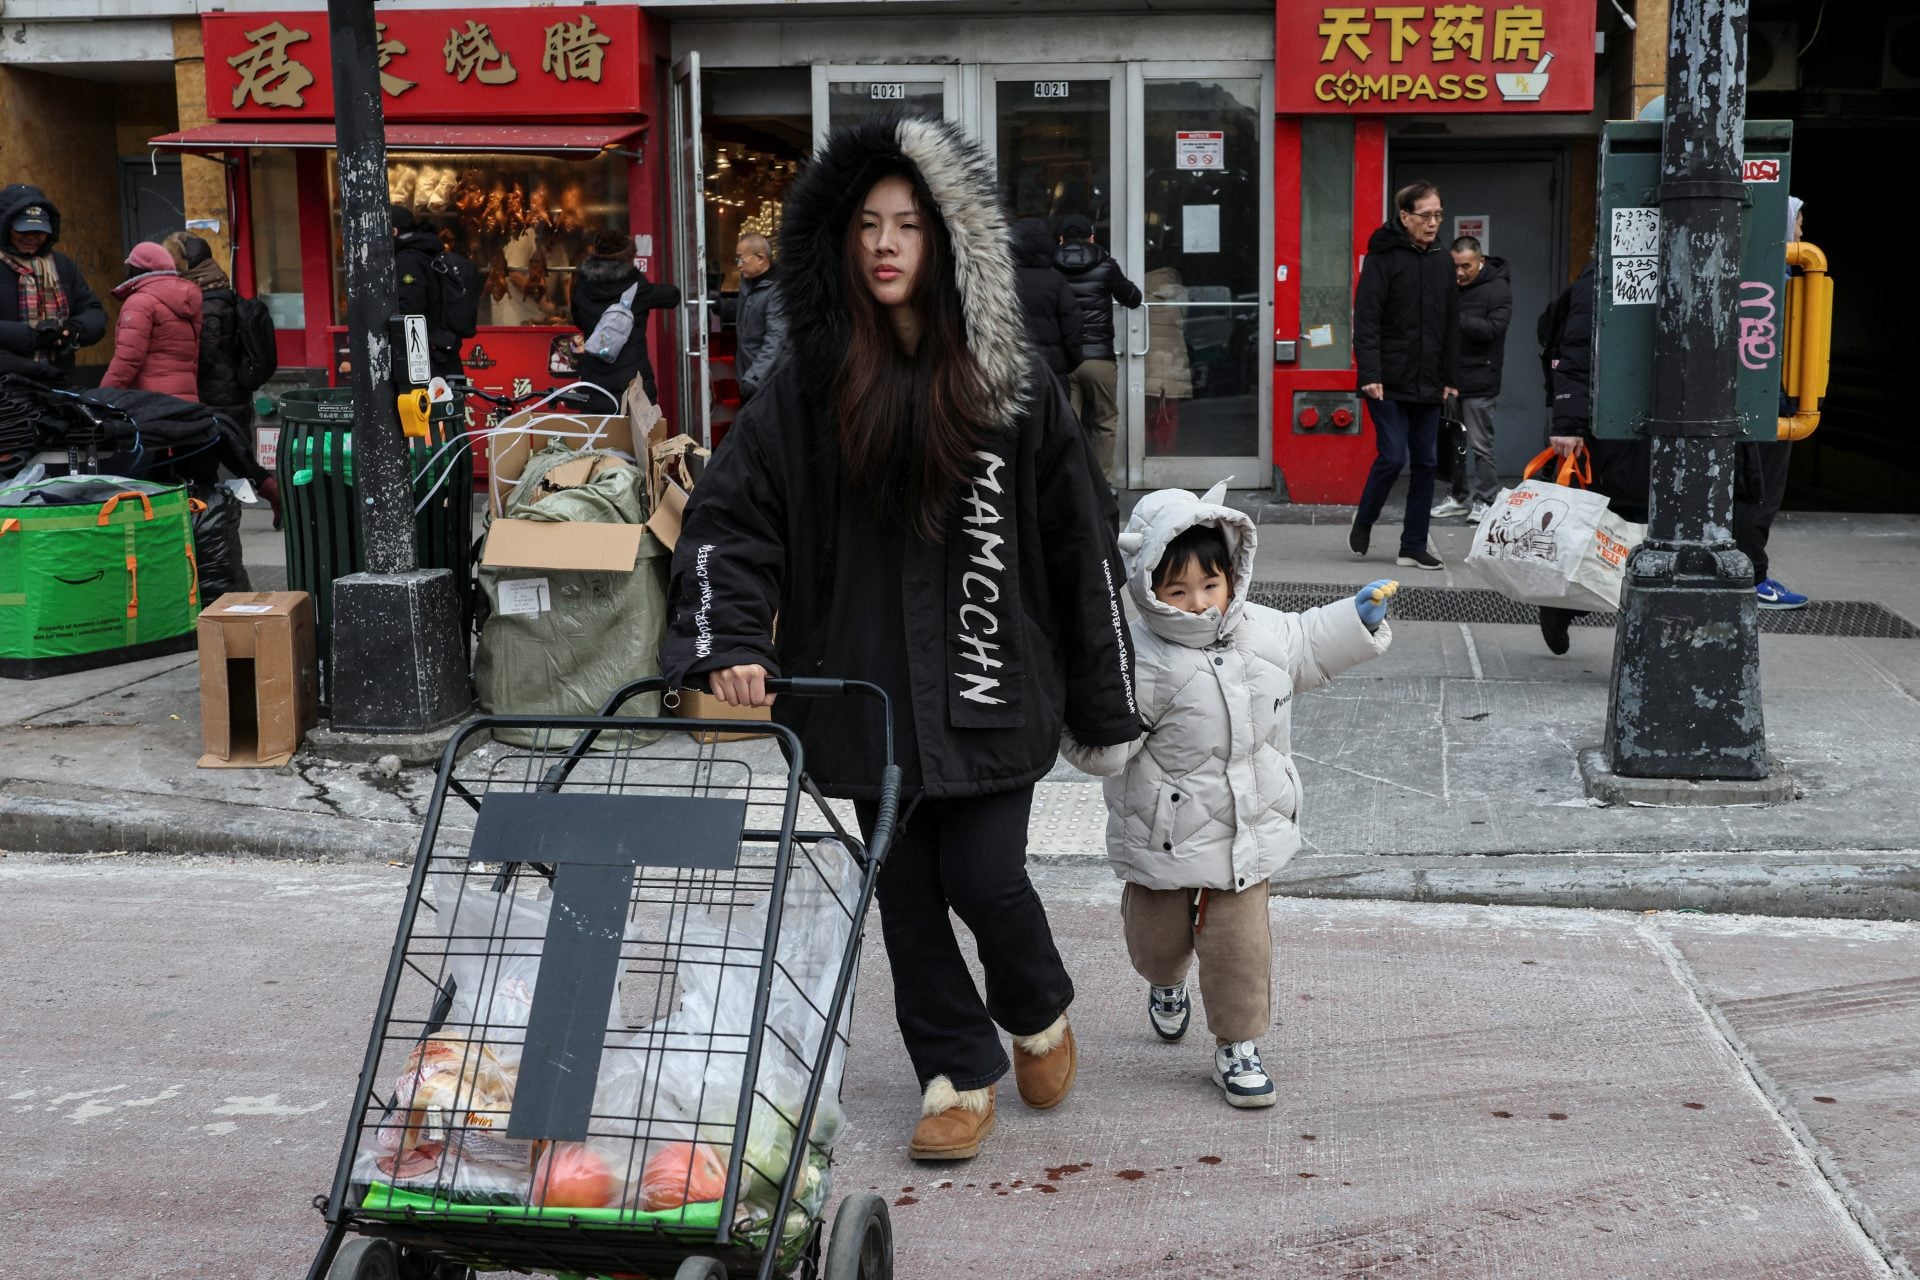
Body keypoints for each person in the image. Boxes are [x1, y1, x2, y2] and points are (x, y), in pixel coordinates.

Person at [659, 118, 1140, 1162]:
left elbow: (1079, 540)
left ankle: (1037, 1000)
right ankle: (956, 1070)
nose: (884, 245)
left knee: (983, 874)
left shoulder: (1009, 387)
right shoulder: (810, 388)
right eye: (868, 226)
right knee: (906, 895)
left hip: (993, 679)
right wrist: (728, 635)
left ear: (947, 242)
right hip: (862, 688)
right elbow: (732, 521)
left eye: (908, 226)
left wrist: (1107, 701)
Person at [1065, 484, 1392, 1107]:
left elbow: (1308, 639)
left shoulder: (1258, 629)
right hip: (1164, 836)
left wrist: (1355, 617)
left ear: (1231, 576)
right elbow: (1104, 744)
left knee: (1240, 948)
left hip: (1250, 830)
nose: (1198, 604)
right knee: (1159, 945)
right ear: (1147, 587)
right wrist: (1074, 719)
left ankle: (1236, 1044)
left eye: (1210, 586)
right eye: (1177, 591)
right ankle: (1165, 983)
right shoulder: (1138, 659)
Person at [1537, 260, 1650, 655]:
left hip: (1655, 419)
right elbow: (1576, 349)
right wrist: (1568, 422)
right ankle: (1561, 605)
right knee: (1624, 522)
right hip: (1619, 423)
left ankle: (1569, 607)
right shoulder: (1606, 270)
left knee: (1638, 528)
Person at [1350, 181, 1460, 571]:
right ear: (1405, 216)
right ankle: (1365, 518)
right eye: (1426, 215)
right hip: (1388, 379)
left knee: (1427, 463)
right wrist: (1370, 372)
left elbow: (1451, 321)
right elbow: (1366, 319)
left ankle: (1413, 544)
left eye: (1438, 214)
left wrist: (1450, 375)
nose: (1433, 223)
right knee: (1393, 457)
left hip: (1429, 379)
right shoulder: (1383, 257)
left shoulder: (1442, 260)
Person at [1734, 194, 1809, 611]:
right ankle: (1753, 577)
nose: (1802, 233)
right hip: (1769, 399)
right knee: (1759, 492)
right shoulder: (1778, 281)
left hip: (1751, 396)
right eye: (1798, 222)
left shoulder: (1752, 274)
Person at [1054, 214, 1142, 484]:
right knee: (1104, 421)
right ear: (1092, 237)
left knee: (1064, 425)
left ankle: (1069, 486)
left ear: (1060, 239)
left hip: (1062, 359)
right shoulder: (1106, 265)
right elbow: (1132, 299)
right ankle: (1102, 484)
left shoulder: (1048, 266)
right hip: (1099, 357)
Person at [1432, 236, 1510, 523]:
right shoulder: (1450, 286)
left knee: (1479, 443)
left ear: (1481, 261)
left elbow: (1494, 329)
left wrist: (1456, 318)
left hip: (1480, 378)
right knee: (1452, 440)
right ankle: (1457, 497)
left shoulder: (1498, 288)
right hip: (1451, 378)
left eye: (1466, 266)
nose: (1460, 272)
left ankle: (1487, 499)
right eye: (1455, 266)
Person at [0, 184, 107, 379]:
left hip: (58, 378)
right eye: (22, 231)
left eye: (39, 231)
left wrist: (71, 331)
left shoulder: (62, 265)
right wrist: (34, 338)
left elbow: (93, 311)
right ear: (6, 227)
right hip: (7, 382)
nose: (31, 238)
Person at [570, 229, 681, 406]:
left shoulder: (582, 285)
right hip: (632, 381)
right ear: (626, 257)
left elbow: (577, 319)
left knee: (600, 431)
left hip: (594, 380)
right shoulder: (636, 287)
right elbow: (673, 296)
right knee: (638, 431)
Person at [100, 242, 202, 398]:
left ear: (135, 269)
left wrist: (102, 395)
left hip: (151, 402)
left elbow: (128, 358)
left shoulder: (140, 302)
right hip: (187, 397)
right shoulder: (186, 299)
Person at [390, 205, 471, 382]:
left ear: (393, 232)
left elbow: (409, 311)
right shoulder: (423, 254)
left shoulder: (408, 260)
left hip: (428, 359)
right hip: (439, 353)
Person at [1008, 217, 1084, 394]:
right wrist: (1070, 361)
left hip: (1012, 371)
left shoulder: (1002, 281)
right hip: (1052, 372)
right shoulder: (1056, 281)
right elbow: (1073, 326)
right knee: (1055, 420)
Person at [731, 233, 787, 403]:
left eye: (742, 259)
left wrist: (754, 378)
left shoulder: (777, 291)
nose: (739, 265)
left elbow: (776, 339)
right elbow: (752, 310)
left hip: (767, 379)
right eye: (737, 259)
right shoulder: (748, 282)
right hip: (747, 372)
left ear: (761, 258)